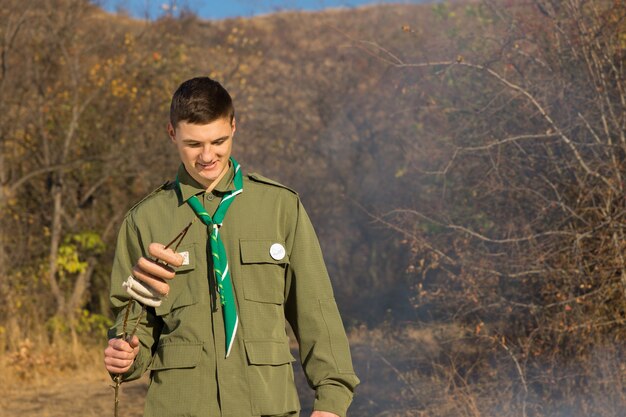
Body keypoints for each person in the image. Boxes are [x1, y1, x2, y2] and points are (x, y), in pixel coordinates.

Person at [103, 76, 359, 417]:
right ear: (172, 133)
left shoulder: (280, 206)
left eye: (218, 141)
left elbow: (316, 311)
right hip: (180, 408)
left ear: (234, 127)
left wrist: (331, 401)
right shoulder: (144, 220)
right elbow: (134, 326)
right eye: (194, 144)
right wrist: (125, 353)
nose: (208, 156)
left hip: (267, 405)